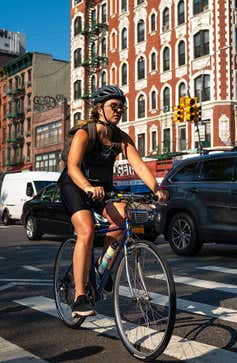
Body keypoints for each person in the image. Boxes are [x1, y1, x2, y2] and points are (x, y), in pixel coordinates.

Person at [58, 85, 168, 317]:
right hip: (75, 184)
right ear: (99, 109)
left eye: (122, 107)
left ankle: (100, 268)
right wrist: (88, 187)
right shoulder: (84, 133)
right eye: (114, 106)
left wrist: (156, 188)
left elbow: (138, 165)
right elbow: (72, 166)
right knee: (86, 230)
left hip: (103, 187)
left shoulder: (120, 138)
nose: (119, 111)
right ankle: (79, 296)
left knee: (122, 219)